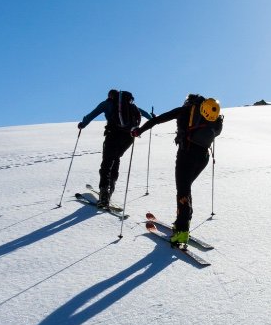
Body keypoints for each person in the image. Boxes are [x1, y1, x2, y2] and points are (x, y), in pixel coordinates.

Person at [132, 93, 223, 249]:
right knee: (185, 189)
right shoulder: (210, 116)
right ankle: (183, 221)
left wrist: (139, 131)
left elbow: (157, 120)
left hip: (186, 155)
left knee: (182, 191)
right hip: (204, 157)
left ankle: (181, 230)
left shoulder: (185, 110)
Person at [79, 90, 152, 208]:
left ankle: (104, 193)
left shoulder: (107, 104)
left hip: (113, 135)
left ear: (110, 96)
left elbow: (92, 114)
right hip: (128, 138)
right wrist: (151, 117)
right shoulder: (131, 106)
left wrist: (83, 124)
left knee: (107, 162)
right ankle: (109, 191)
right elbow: (144, 113)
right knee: (116, 159)